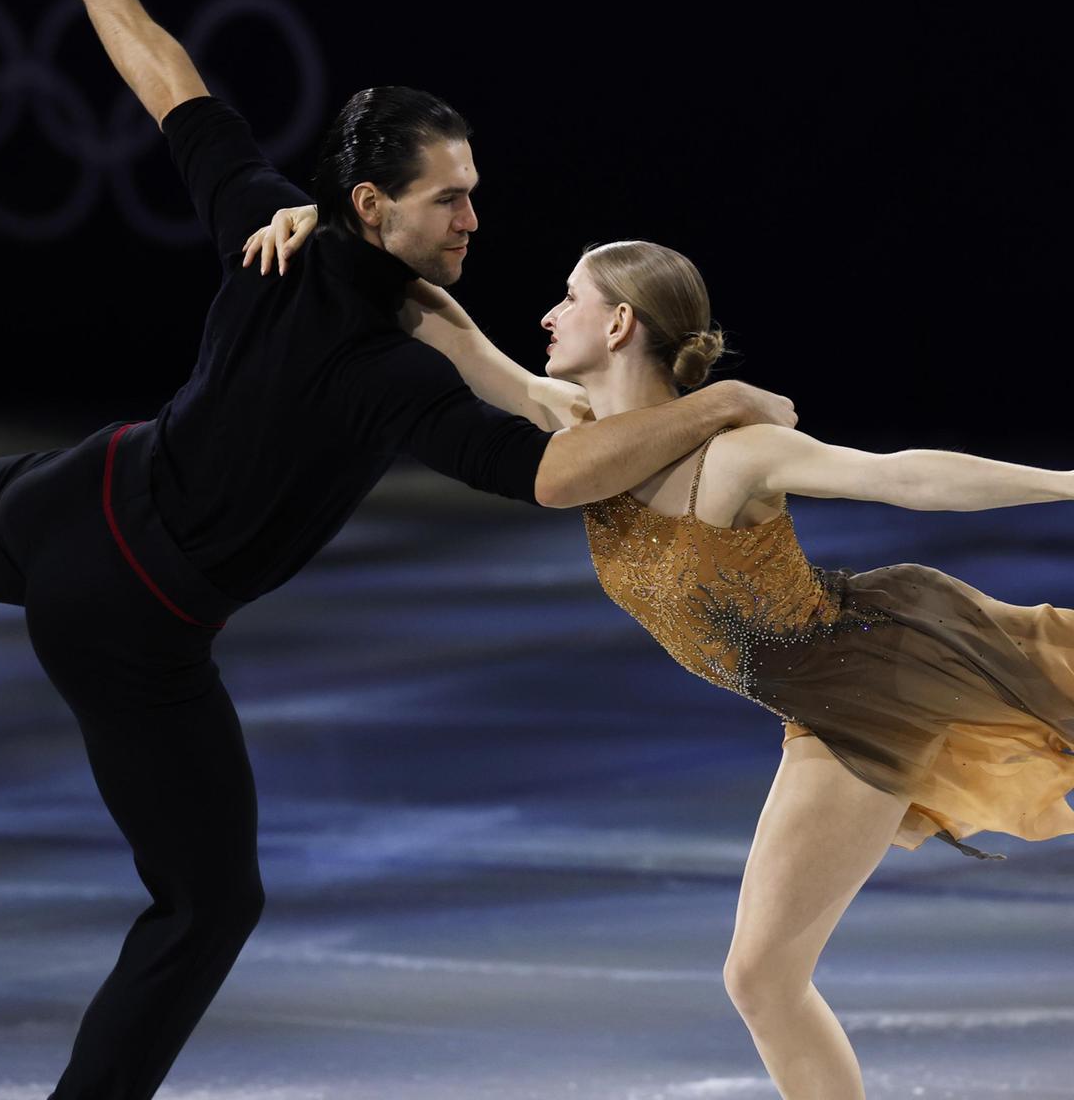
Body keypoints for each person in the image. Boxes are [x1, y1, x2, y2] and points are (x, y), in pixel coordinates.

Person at [0, 0, 800, 1099]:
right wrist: (717, 405)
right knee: (209, 905)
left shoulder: (274, 231)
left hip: (65, 495)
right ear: (370, 206)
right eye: (449, 198)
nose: (473, 217)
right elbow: (548, 477)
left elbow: (176, 94)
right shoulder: (379, 372)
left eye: (471, 190)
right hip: (127, 616)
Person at [257, 219, 1074, 1100]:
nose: (546, 314)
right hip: (815, 707)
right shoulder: (574, 430)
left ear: (618, 325)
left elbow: (904, 477)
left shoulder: (733, 456)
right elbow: (454, 332)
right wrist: (330, 232)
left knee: (760, 978)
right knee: (762, 980)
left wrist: (1068, 485)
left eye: (569, 296)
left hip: (874, 683)